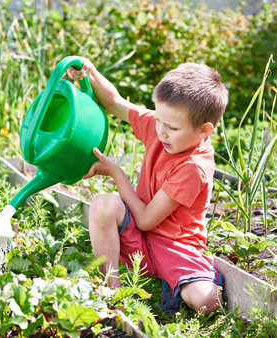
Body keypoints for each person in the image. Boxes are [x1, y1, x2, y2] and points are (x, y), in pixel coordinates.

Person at [67, 58, 228, 316]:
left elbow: (144, 220)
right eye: (158, 120)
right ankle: (113, 292)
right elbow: (115, 103)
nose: (161, 132)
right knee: (102, 204)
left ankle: (184, 281)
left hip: (176, 247)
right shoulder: (161, 125)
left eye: (172, 127)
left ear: (204, 130)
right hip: (140, 241)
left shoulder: (193, 167)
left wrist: (116, 173)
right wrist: (91, 71)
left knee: (207, 302)